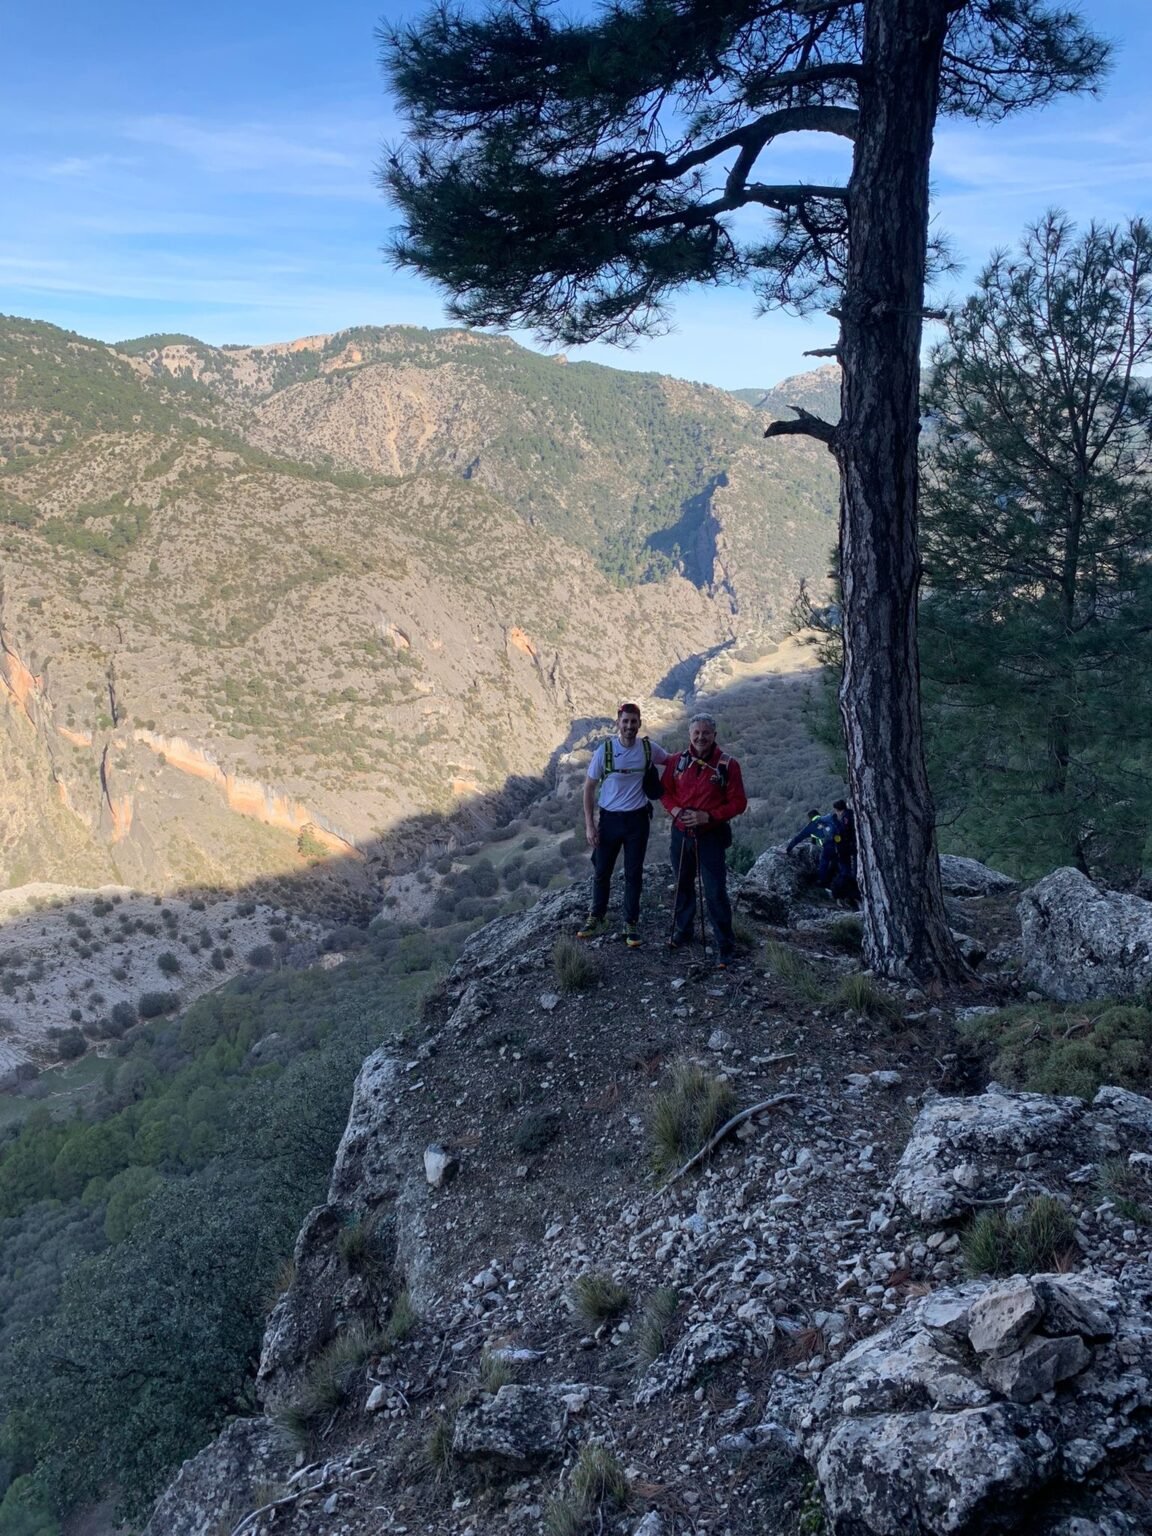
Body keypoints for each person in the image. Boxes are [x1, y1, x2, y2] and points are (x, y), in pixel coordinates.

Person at [578, 703, 671, 947]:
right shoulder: (605, 751)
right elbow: (589, 787)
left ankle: (630, 923)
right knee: (601, 872)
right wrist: (590, 825)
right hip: (610, 820)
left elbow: (671, 762)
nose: (629, 726)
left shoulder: (649, 749)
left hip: (637, 820)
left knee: (633, 874)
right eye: (625, 721)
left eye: (634, 721)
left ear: (639, 723)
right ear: (618, 723)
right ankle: (596, 916)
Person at [661, 713, 747, 966]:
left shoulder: (727, 765)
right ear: (689, 735)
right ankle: (683, 931)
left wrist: (707, 816)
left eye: (706, 732)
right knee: (683, 885)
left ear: (714, 735)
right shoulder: (677, 762)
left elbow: (738, 803)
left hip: (711, 835)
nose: (701, 737)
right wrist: (677, 812)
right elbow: (665, 792)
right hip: (680, 834)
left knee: (715, 891)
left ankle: (725, 945)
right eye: (696, 732)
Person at [786, 806, 840, 885]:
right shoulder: (827, 818)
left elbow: (797, 838)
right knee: (838, 862)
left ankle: (823, 882)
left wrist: (788, 849)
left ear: (810, 818)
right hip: (839, 842)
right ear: (818, 814)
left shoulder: (809, 827)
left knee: (823, 862)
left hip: (828, 846)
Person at [829, 799, 859, 903]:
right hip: (854, 845)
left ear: (837, 810)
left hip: (850, 847)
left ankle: (852, 893)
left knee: (849, 870)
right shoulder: (852, 813)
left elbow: (844, 832)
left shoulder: (845, 817)